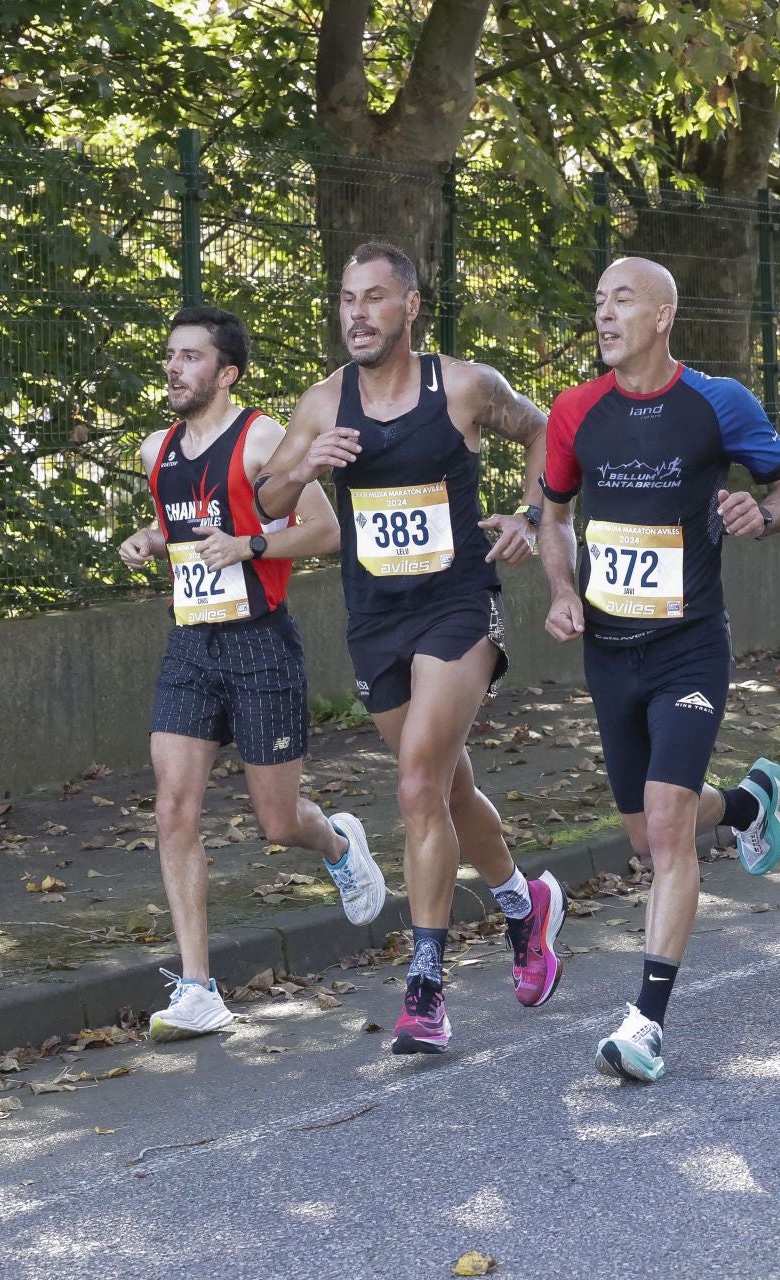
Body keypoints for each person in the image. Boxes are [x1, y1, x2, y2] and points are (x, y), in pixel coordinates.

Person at [254, 242, 563, 1055]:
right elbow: (267, 498)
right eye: (347, 299)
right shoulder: (323, 403)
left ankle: (425, 987)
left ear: (411, 306)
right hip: (375, 619)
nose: (356, 313)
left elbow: (546, 434)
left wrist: (530, 518)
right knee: (447, 793)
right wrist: (305, 468)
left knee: (416, 779)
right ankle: (525, 907)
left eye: (374, 298)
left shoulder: (463, 386)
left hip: (458, 604)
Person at [537, 256, 780, 1082]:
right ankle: (745, 803)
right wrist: (560, 588)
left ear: (663, 315)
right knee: (646, 832)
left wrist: (758, 512)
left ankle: (646, 1023)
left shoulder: (717, 403)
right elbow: (552, 516)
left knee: (664, 831)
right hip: (609, 654)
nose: (605, 315)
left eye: (621, 300)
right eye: (597, 302)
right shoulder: (573, 412)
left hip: (689, 646)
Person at [119, 305, 384, 1042]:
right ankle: (198, 987)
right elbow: (182, 527)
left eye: (191, 357)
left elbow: (326, 532)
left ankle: (336, 843)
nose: (173, 367)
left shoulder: (261, 437)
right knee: (174, 807)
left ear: (226, 373)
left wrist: (250, 545)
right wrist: (148, 538)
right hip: (190, 647)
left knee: (276, 821)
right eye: (170, 355)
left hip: (262, 643)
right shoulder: (156, 450)